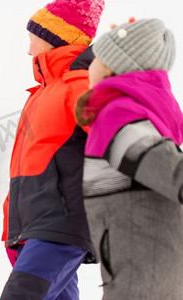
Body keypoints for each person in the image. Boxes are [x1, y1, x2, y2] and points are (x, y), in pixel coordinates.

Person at [0, 0, 104, 298]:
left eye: (32, 39)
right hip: (33, 226)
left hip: (58, 223)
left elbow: (117, 135)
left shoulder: (79, 83)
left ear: (53, 37)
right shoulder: (42, 93)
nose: (29, 49)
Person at [75, 18, 183, 299]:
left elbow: (174, 174)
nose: (90, 66)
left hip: (140, 280)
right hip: (152, 272)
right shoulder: (136, 113)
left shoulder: (119, 115)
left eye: (96, 58)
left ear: (112, 66)